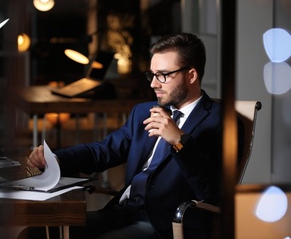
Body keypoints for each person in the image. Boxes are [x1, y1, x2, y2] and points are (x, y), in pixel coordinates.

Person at [20, 32, 243, 239]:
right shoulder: (143, 112)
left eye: (163, 75)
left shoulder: (223, 121)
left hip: (166, 225)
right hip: (121, 212)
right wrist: (55, 158)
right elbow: (104, 150)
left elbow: (213, 192)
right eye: (152, 75)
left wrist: (179, 141)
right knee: (35, 234)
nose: (154, 84)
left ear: (191, 75)